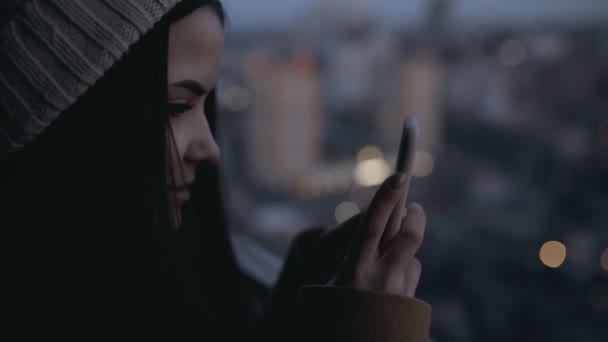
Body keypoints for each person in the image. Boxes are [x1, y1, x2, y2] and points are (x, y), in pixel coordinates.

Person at [0, 0, 431, 340]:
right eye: (176, 107)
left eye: (206, 104)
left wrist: (304, 288)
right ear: (71, 118)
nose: (210, 149)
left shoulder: (118, 286)